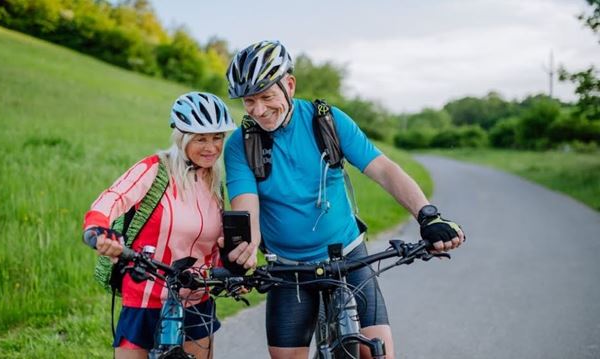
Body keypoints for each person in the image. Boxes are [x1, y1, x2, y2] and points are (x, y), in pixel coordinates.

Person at [222, 40, 465, 359]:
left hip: (348, 258)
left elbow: (384, 170)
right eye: (249, 101)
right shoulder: (241, 145)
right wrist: (244, 251)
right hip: (287, 268)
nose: (258, 110)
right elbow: (246, 209)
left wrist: (427, 215)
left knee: (377, 354)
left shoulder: (328, 122)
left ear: (290, 85)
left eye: (267, 97)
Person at [82, 92, 236, 359]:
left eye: (217, 137)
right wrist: (98, 229)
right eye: (201, 138)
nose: (211, 147)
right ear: (182, 137)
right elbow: (113, 198)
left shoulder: (214, 185)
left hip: (196, 298)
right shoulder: (155, 169)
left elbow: (213, 244)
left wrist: (229, 269)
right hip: (145, 297)